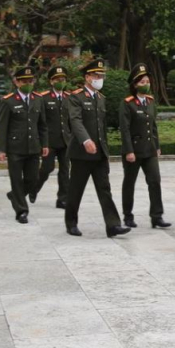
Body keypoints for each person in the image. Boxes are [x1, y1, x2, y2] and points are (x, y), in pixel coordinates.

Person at [63, 58, 130, 238]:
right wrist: (86, 140)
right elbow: (75, 121)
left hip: (99, 153)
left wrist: (104, 150)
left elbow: (101, 128)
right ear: (87, 77)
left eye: (101, 75)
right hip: (81, 153)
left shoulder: (101, 99)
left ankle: (113, 225)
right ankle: (71, 223)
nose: (99, 78)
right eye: (96, 75)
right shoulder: (76, 97)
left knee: (104, 189)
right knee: (76, 189)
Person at [119, 63, 170, 229]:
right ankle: (128, 216)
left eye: (147, 81)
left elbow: (153, 125)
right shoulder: (127, 103)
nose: (146, 85)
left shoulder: (150, 101)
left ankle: (157, 216)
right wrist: (128, 151)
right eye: (142, 82)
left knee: (155, 181)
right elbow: (124, 129)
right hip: (133, 150)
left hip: (149, 150)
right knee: (129, 183)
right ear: (134, 85)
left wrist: (157, 145)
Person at [0, 66, 48, 224]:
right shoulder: (8, 101)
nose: (28, 83)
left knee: (33, 179)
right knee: (16, 179)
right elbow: (2, 127)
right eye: (24, 81)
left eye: (30, 81)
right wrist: (1, 149)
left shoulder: (38, 99)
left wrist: (44, 144)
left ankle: (14, 195)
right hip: (15, 148)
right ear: (17, 82)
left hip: (33, 146)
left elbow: (42, 124)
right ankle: (21, 211)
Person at [34, 66, 70, 209]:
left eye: (63, 79)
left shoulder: (69, 97)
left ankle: (62, 199)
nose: (61, 81)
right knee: (47, 168)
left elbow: (71, 120)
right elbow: (39, 121)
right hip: (49, 141)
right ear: (51, 81)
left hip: (65, 140)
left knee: (65, 170)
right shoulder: (44, 98)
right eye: (57, 79)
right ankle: (33, 188)